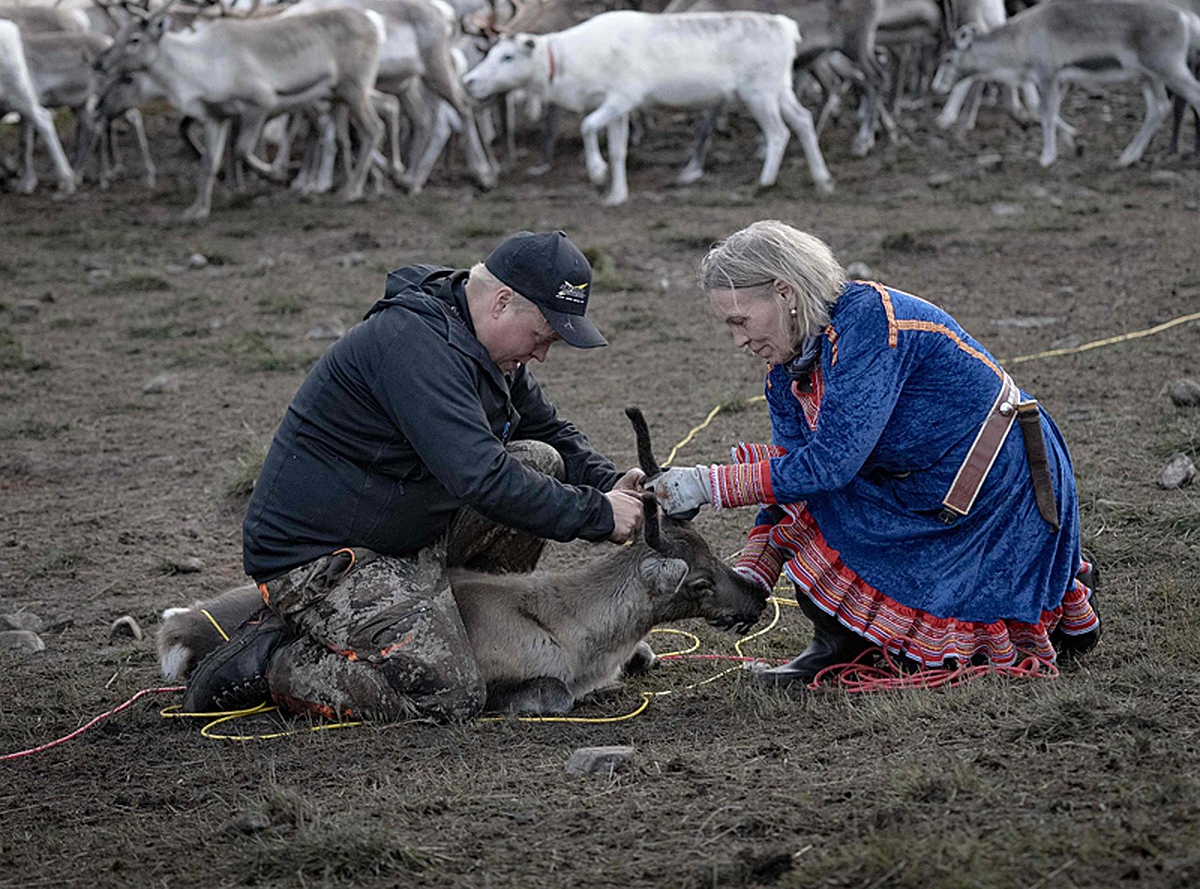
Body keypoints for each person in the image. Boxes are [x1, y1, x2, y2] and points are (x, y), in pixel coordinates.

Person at [185, 230, 644, 720]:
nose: (541, 354)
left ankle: (436, 623)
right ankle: (279, 659)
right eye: (542, 336)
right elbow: (480, 477)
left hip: (404, 538)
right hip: (325, 561)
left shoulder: (479, 345)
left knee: (538, 460)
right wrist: (598, 514)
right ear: (503, 303)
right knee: (450, 694)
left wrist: (607, 482)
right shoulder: (416, 347)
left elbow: (548, 429)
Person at [647, 220, 1100, 686]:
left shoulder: (868, 323)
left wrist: (706, 483)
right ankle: (841, 642)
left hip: (997, 486)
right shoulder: (787, 367)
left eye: (740, 321)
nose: (738, 340)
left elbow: (831, 464)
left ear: (785, 293)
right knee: (799, 484)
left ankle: (865, 641)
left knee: (827, 492)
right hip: (922, 486)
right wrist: (751, 579)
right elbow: (789, 475)